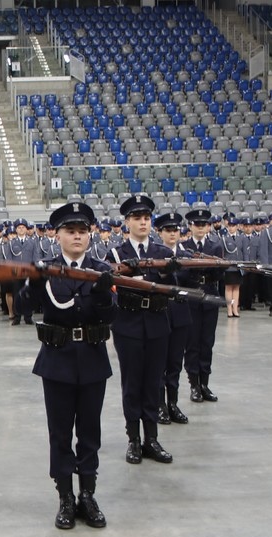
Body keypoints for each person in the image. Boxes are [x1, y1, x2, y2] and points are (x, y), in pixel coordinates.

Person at [19, 202, 116, 530]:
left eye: (82, 231)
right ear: (57, 235)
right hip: (57, 361)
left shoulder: (101, 270)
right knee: (60, 434)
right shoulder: (46, 270)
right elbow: (23, 308)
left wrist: (104, 295)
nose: (77, 236)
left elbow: (111, 316)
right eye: (70, 231)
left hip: (92, 358)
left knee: (90, 431)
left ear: (90, 235)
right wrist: (32, 284)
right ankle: (65, 496)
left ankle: (88, 494)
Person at [106, 195, 178, 465]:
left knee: (153, 382)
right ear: (127, 222)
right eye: (137, 218)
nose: (143, 222)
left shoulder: (162, 253)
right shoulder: (116, 254)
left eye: (147, 218)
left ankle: (152, 438)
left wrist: (169, 272)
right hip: (128, 324)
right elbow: (110, 288)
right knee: (132, 383)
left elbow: (172, 289)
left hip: (158, 322)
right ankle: (133, 439)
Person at [180, 208, 223, 405]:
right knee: (192, 343)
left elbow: (220, 273)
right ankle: (194, 384)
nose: (200, 228)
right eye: (197, 225)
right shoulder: (184, 247)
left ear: (208, 227)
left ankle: (205, 383)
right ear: (190, 226)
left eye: (204, 225)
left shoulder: (215, 247)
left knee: (207, 342)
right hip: (191, 297)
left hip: (210, 296)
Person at [156, 212, 194, 425]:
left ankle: (173, 402)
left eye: (175, 230)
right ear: (159, 233)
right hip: (161, 312)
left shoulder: (187, 255)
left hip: (180, 313)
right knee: (159, 363)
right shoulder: (155, 255)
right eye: (168, 230)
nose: (172, 234)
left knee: (175, 362)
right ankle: (160, 404)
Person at [221, 218, 245, 317]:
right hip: (229, 267)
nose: (231, 228)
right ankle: (229, 309)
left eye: (233, 226)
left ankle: (235, 309)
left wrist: (244, 265)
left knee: (236, 289)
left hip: (238, 267)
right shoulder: (224, 239)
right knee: (228, 289)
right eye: (229, 226)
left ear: (237, 226)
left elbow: (244, 252)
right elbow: (222, 254)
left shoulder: (241, 238)